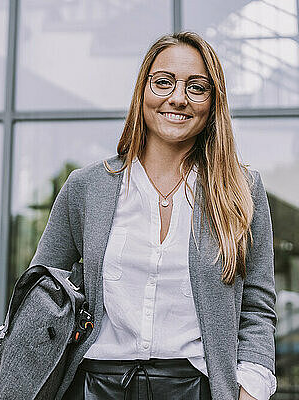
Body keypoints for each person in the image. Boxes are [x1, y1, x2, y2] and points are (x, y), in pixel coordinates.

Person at [29, 31, 277, 400]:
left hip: (197, 388)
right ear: (142, 91)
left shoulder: (242, 189)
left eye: (197, 87)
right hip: (93, 387)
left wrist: (250, 389)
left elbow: (257, 305)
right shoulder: (87, 187)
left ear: (213, 102)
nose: (177, 98)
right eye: (163, 82)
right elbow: (41, 292)